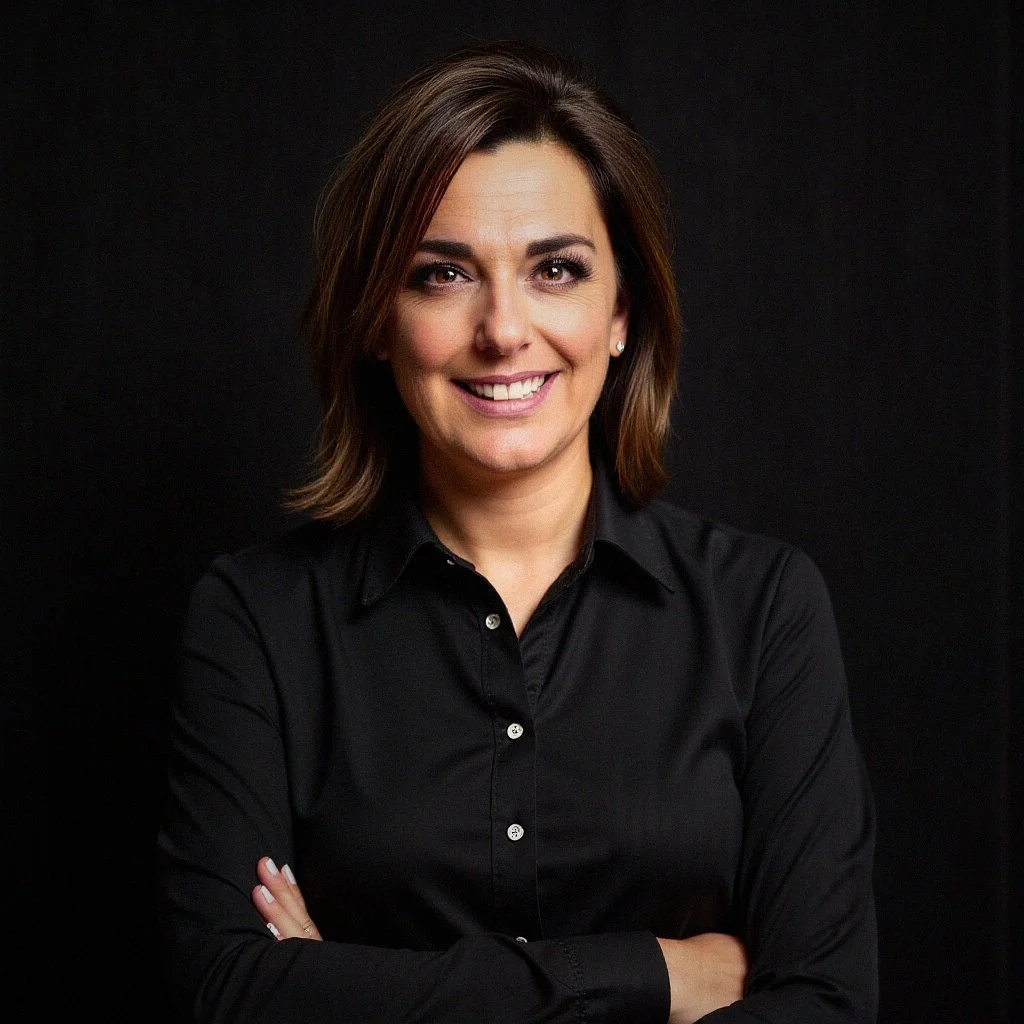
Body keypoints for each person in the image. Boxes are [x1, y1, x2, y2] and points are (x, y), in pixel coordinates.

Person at [157, 41, 877, 1023]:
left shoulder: (762, 608)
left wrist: (347, 985)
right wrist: (659, 973)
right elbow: (227, 994)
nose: (502, 329)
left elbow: (826, 1006)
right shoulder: (257, 619)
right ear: (377, 315)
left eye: (555, 269)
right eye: (443, 274)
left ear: (621, 311)